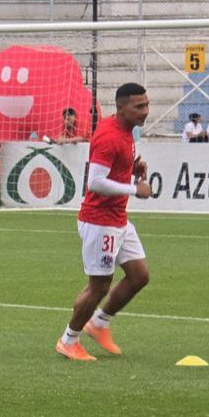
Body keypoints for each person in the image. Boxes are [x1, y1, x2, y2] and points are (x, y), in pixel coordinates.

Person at [55, 82, 153, 361]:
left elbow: (112, 170)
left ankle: (99, 324)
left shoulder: (126, 130)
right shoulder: (109, 136)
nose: (145, 111)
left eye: (146, 104)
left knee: (139, 276)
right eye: (139, 106)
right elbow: (95, 182)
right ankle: (68, 340)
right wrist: (135, 189)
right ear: (121, 107)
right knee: (98, 286)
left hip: (118, 218)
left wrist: (131, 169)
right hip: (100, 221)